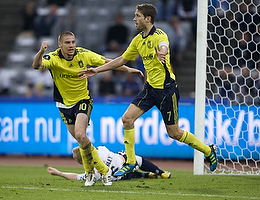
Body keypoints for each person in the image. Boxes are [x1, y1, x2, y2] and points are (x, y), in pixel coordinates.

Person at [78, 3, 218, 177]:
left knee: (174, 133)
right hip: (150, 89)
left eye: (137, 16)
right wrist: (96, 70)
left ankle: (208, 150)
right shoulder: (138, 40)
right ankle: (130, 161)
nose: (134, 19)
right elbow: (121, 59)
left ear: (148, 18)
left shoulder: (160, 35)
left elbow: (164, 45)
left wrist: (163, 52)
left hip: (167, 91)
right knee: (127, 119)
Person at [32, 31, 143, 186]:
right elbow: (36, 65)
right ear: (60, 45)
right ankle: (92, 173)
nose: (71, 45)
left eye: (73, 42)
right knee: (82, 140)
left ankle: (103, 172)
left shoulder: (83, 54)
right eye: (67, 43)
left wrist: (128, 69)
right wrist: (41, 51)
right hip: (64, 105)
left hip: (83, 101)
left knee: (80, 133)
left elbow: (107, 61)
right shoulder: (54, 58)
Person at [47, 146, 171, 182]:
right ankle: (161, 172)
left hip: (118, 174)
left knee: (121, 176)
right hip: (124, 161)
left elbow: (76, 176)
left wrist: (59, 173)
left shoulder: (92, 174)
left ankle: (145, 175)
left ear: (81, 162)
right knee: (137, 160)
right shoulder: (101, 149)